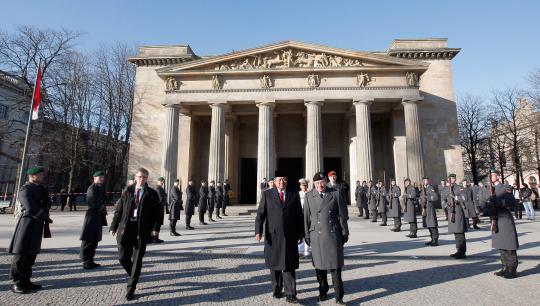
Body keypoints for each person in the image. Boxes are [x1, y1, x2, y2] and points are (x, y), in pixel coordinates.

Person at [110, 168, 160, 301]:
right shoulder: (127, 191)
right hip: (126, 228)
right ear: (136, 177)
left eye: (144, 177)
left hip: (141, 230)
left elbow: (157, 213)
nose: (141, 179)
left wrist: (156, 228)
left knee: (137, 260)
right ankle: (133, 274)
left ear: (146, 178)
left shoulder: (152, 194)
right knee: (122, 257)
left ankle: (131, 288)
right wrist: (113, 226)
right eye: (139, 176)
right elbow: (119, 210)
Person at [255, 175, 303, 304]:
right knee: (275, 264)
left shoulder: (294, 194)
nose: (282, 182)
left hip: (290, 235)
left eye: (284, 180)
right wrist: (258, 231)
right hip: (273, 235)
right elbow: (260, 214)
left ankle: (291, 294)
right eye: (279, 180)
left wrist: (301, 233)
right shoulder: (267, 194)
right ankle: (277, 289)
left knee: (289, 265)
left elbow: (299, 215)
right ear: (275, 182)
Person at [304, 172, 348, 305]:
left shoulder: (335, 193)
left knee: (335, 268)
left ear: (326, 181)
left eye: (322, 182)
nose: (320, 185)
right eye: (317, 183)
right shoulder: (309, 196)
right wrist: (306, 234)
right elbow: (306, 217)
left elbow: (342, 214)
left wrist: (345, 231)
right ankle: (323, 291)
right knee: (319, 267)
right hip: (316, 235)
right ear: (314, 184)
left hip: (333, 234)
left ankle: (339, 296)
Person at [8, 166, 52, 294]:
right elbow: (30, 207)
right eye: (40, 174)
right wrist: (44, 216)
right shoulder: (25, 189)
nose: (42, 176)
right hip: (26, 225)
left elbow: (46, 203)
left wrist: (47, 202)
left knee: (31, 254)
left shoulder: (41, 189)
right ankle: (17, 282)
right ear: (33, 176)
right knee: (21, 254)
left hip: (37, 225)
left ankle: (26, 280)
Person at [484, 171, 520, 278]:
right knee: (501, 244)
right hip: (495, 219)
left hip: (504, 218)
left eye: (493, 175)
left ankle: (512, 269)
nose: (490, 177)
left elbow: (512, 202)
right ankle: (504, 267)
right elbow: (485, 204)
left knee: (509, 244)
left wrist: (497, 203)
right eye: (489, 176)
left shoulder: (505, 187)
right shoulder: (489, 189)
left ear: (498, 176)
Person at [80, 171, 108, 269]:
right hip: (92, 216)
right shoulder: (92, 188)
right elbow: (93, 203)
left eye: (102, 177)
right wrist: (102, 208)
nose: (101, 179)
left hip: (98, 216)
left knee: (94, 240)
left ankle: (90, 260)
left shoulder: (101, 188)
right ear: (94, 178)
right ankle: (85, 261)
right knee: (88, 239)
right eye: (99, 177)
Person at [447, 173, 467, 259]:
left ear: (455, 179)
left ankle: (462, 252)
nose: (451, 180)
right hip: (451, 211)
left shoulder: (459, 187)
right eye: (450, 178)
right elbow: (444, 198)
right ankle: (458, 249)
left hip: (457, 211)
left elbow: (464, 198)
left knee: (459, 232)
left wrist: (455, 197)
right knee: (456, 232)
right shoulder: (448, 188)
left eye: (453, 178)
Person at [420, 177, 439, 246]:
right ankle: (432, 239)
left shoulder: (430, 188)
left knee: (432, 224)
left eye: (427, 180)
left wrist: (427, 197)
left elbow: (435, 197)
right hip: (424, 208)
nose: (425, 181)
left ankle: (435, 240)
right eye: (424, 180)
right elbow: (421, 197)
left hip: (430, 208)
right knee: (428, 224)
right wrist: (420, 200)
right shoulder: (423, 189)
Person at [298, 178, 310, 257]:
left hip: (308, 216)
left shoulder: (310, 194)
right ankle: (300, 250)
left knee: (307, 232)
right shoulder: (297, 194)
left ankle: (307, 249)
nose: (304, 187)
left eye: (306, 185)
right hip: (300, 216)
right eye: (303, 185)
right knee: (300, 233)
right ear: (300, 186)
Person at [152, 177, 166, 243]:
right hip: (158, 208)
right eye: (161, 181)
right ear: (158, 181)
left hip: (159, 208)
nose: (162, 183)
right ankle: (154, 238)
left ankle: (156, 237)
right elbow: (160, 199)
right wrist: (164, 200)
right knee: (156, 224)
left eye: (163, 181)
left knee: (158, 224)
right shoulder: (158, 188)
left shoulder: (160, 188)